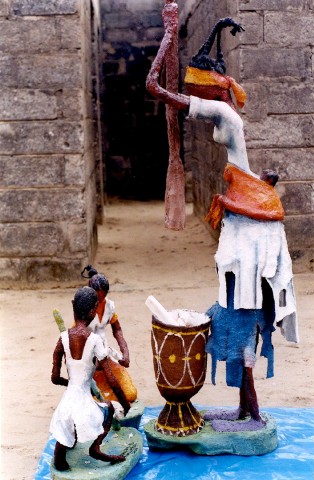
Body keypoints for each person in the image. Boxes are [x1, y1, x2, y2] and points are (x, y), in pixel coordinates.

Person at [146, 1, 298, 432]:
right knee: (236, 302)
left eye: (197, 87)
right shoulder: (227, 112)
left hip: (248, 224)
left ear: (210, 87)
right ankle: (246, 409)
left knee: (242, 311)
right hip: (243, 211)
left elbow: (154, 88)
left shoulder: (221, 111)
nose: (195, 94)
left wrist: (167, 37)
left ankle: (248, 412)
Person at [50, 287, 130, 471]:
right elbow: (111, 379)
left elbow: (54, 378)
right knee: (108, 408)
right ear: (94, 310)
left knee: (64, 434)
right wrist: (125, 405)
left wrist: (70, 384)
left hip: (67, 404)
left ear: (73, 306)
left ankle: (60, 457)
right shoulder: (94, 340)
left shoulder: (62, 338)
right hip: (84, 403)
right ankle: (95, 447)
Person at [81, 265, 137, 403]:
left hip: (105, 355)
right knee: (92, 398)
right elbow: (76, 336)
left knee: (130, 394)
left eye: (103, 297)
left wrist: (125, 353)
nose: (100, 301)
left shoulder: (109, 306)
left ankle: (107, 396)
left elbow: (117, 329)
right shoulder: (83, 307)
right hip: (88, 361)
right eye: (97, 298)